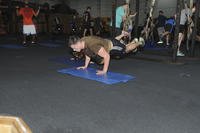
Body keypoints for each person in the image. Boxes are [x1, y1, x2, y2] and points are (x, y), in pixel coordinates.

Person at [68, 31, 145, 75]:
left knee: (125, 50)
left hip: (113, 46)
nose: (74, 50)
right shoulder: (82, 41)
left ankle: (139, 43)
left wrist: (104, 71)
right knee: (122, 46)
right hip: (106, 42)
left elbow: (107, 56)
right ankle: (132, 41)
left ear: (78, 43)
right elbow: (88, 54)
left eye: (74, 47)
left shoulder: (92, 45)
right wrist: (85, 66)